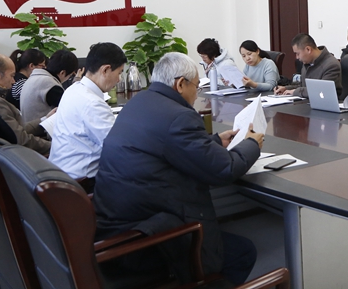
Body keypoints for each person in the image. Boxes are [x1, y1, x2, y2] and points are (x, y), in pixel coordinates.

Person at [93, 53, 263, 284]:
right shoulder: (179, 116)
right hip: (147, 237)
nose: (197, 93)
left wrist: (214, 141)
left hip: (117, 221)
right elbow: (225, 169)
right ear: (180, 84)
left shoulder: (139, 102)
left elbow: (165, 145)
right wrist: (252, 143)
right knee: (242, 252)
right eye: (196, 86)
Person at [48, 43, 126, 186]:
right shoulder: (93, 103)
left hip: (61, 174)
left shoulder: (73, 90)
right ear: (105, 70)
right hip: (82, 183)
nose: (119, 79)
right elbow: (119, 149)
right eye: (119, 72)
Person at [0, 53, 52, 154]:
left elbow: (14, 130)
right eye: (12, 76)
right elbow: (21, 140)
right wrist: (55, 146)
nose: (13, 81)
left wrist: (45, 119)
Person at [20, 48, 79, 123]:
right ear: (62, 73)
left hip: (29, 125)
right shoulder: (50, 85)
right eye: (70, 76)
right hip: (39, 128)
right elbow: (71, 109)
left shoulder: (34, 77)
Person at [274, 34, 341, 98]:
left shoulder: (331, 65)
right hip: (306, 102)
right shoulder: (307, 62)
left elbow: (321, 91)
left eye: (298, 53)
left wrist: (295, 92)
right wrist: (286, 88)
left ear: (308, 49)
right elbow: (303, 86)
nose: (297, 57)